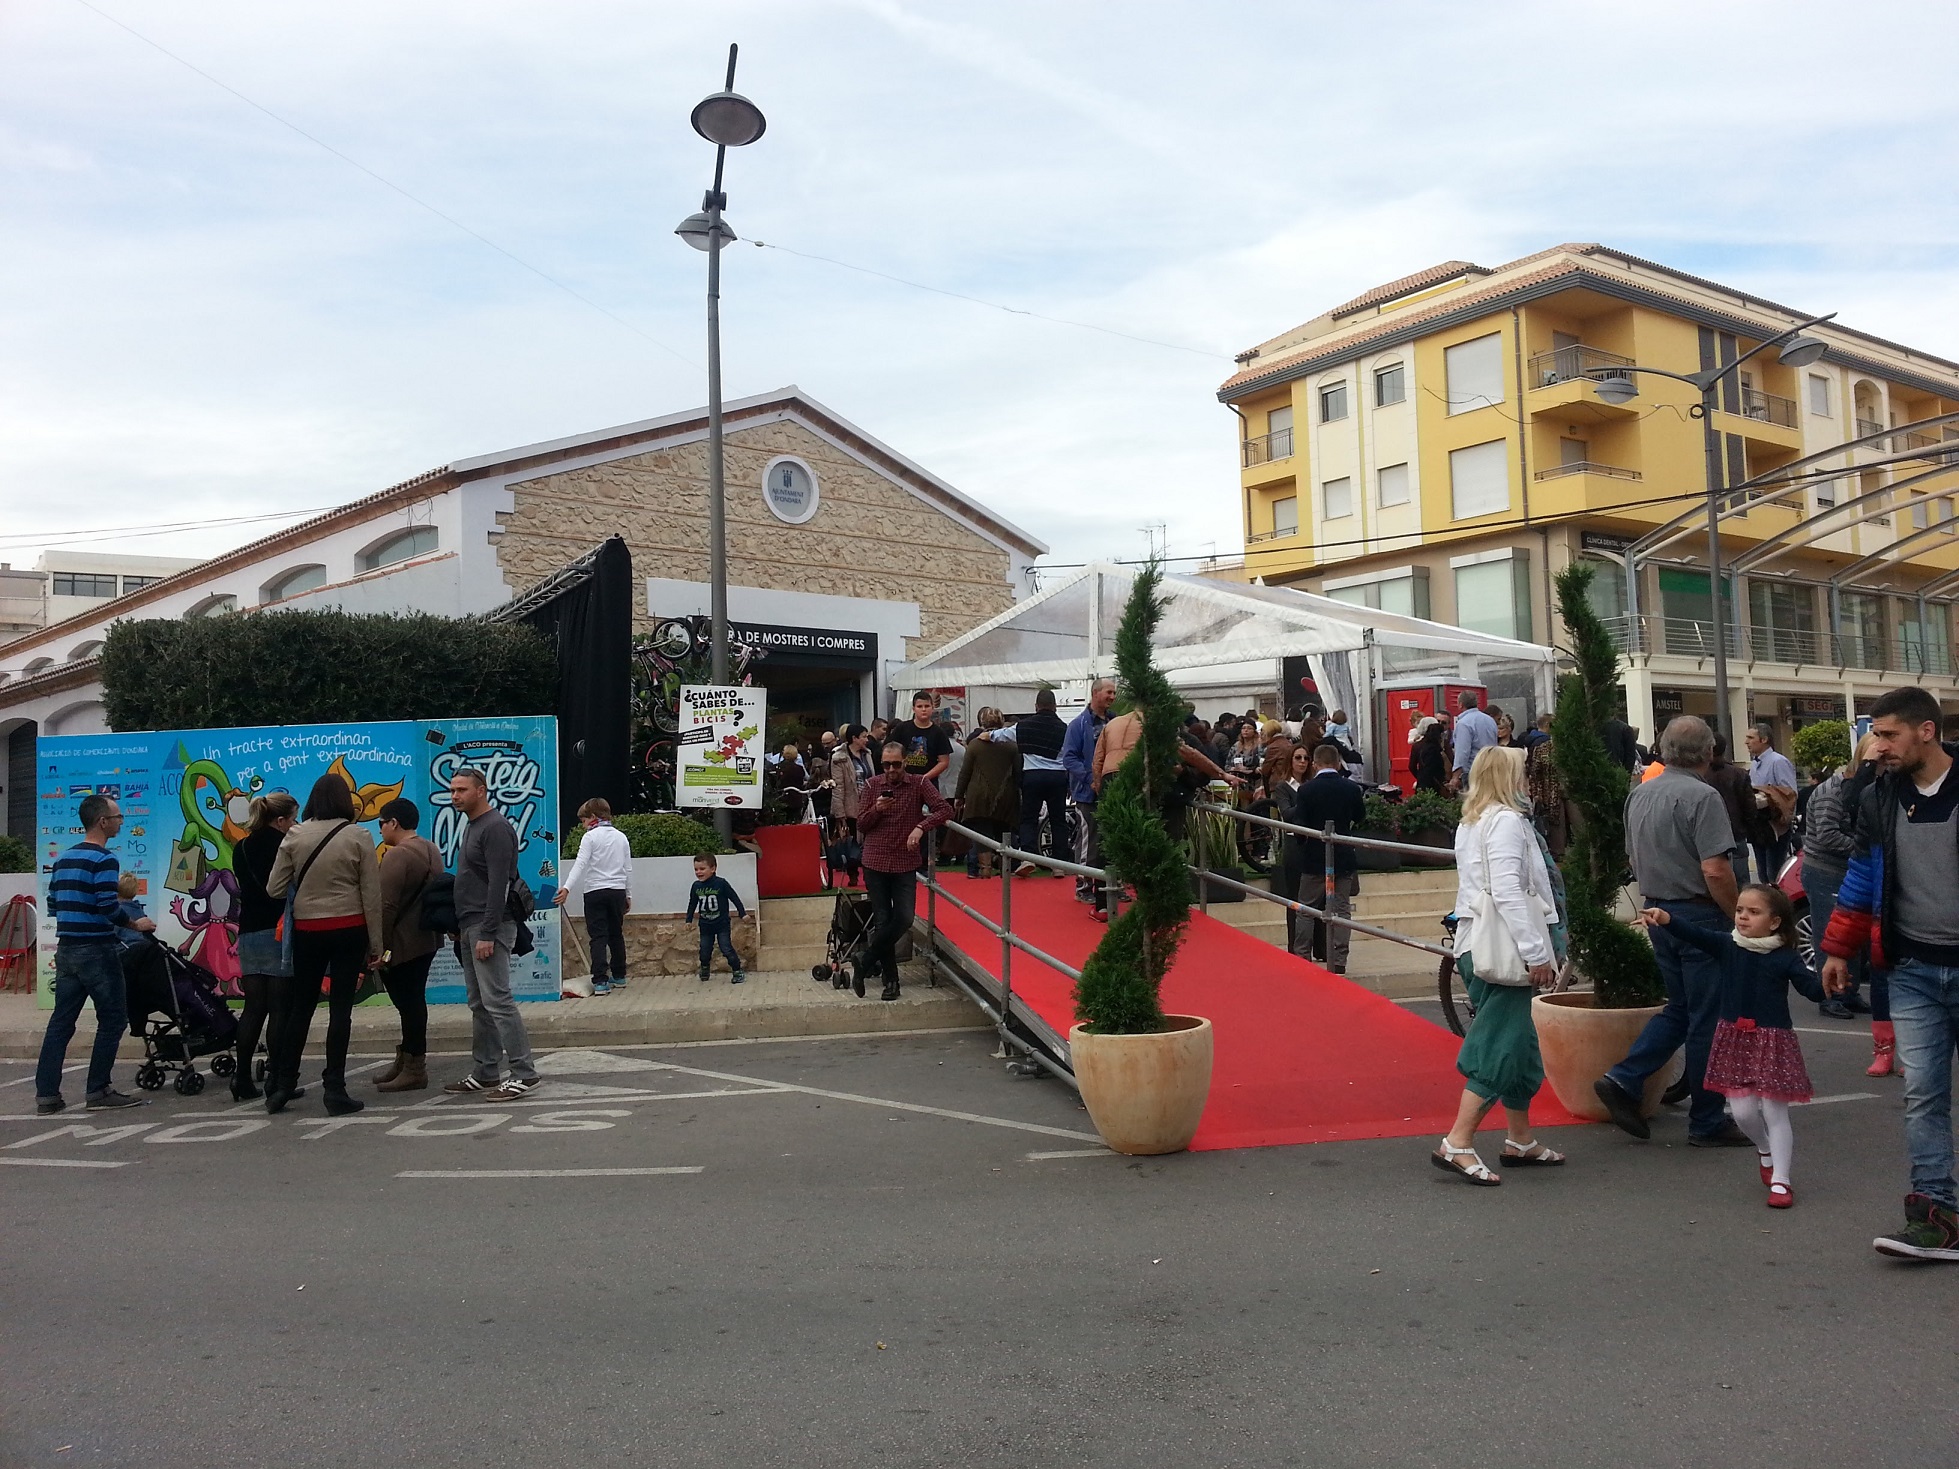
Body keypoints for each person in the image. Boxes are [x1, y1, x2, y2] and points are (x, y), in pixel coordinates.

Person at [1819, 685, 1959, 1260]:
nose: (1878, 746)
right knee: (1923, 1095)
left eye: (1888, 734)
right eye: (1875, 735)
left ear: (1927, 731)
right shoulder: (1880, 796)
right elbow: (1861, 875)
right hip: (1911, 968)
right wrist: (1836, 949)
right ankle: (1936, 1220)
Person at [1593, 716, 1747, 1146]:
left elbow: (1632, 856)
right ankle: (1707, 1120)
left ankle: (1625, 1077)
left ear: (1663, 749)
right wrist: (1737, 915)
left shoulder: (1640, 793)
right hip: (1698, 913)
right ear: (1709, 752)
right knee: (1706, 1020)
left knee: (1680, 1008)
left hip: (1658, 909)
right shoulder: (1704, 796)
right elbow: (1715, 869)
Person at [1432, 746, 1567, 1184]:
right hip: (1505, 946)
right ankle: (1458, 1141)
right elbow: (1510, 891)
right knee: (1500, 1045)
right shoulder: (1507, 821)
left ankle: (1520, 1139)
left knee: (1519, 1044)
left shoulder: (1472, 821)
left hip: (1477, 943)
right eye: (1523, 772)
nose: (1529, 779)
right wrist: (1536, 952)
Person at [1640, 883, 1820, 1207]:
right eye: (1740, 910)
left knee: (1775, 1112)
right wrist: (1666, 919)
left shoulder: (1785, 957)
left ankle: (1781, 1180)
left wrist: (1833, 986)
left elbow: (1811, 989)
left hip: (1773, 1041)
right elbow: (1695, 934)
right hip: (1735, 1039)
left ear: (1775, 922)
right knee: (1744, 1114)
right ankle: (1764, 1149)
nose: (1743, 917)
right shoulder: (1728, 945)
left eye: (1753, 912)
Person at [265, 774, 383, 1116]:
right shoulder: (359, 835)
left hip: (308, 930)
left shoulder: (295, 835)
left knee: (301, 1008)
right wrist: (376, 943)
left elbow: (274, 888)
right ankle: (335, 1089)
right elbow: (371, 894)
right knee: (341, 1010)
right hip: (350, 928)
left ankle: (283, 1085)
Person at [34, 794, 150, 1114]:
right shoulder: (104, 860)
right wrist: (135, 924)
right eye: (117, 817)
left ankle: (47, 1095)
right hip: (97, 949)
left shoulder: (63, 859)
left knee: (61, 1023)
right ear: (103, 822)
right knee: (113, 1019)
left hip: (67, 950)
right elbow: (108, 907)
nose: (120, 822)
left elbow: (53, 904)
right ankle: (98, 1090)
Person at [440, 766, 539, 1100]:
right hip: (470, 925)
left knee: (498, 1000)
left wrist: (487, 931)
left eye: (461, 790)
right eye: (452, 790)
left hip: (489, 926)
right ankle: (486, 1071)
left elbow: (500, 885)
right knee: (479, 1002)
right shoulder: (474, 825)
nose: (455, 796)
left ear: (480, 791)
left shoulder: (495, 827)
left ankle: (524, 1073)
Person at [857, 741, 952, 999]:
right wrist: (877, 809)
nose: (891, 770)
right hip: (875, 861)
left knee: (905, 918)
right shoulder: (872, 785)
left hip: (904, 863)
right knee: (882, 921)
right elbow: (862, 824)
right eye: (886, 765)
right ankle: (891, 982)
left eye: (896, 764)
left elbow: (945, 809)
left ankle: (865, 960)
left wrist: (921, 827)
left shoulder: (919, 783)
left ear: (905, 762)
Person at [1802, 734, 1878, 1028]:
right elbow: (1827, 835)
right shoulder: (1831, 791)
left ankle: (1848, 992)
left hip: (1844, 869)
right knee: (1829, 935)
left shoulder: (1863, 789)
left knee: (1853, 938)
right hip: (1825, 871)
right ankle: (1830, 997)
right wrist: (1863, 848)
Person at [228, 791, 297, 1101]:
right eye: (293, 819)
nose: (295, 824)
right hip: (277, 930)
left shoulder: (241, 847)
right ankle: (276, 1080)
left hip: (248, 931)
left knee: (254, 1008)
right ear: (280, 820)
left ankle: (241, 1077)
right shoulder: (284, 846)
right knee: (280, 1008)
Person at [373, 797, 443, 1092]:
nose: (380, 829)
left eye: (381, 823)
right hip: (427, 938)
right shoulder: (431, 849)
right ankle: (406, 1059)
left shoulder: (397, 855)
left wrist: (379, 946)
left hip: (402, 942)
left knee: (408, 1003)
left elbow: (386, 905)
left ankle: (415, 1066)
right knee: (413, 1001)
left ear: (394, 823)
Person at [1286, 744, 1367, 972]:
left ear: (1315, 764)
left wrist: (1302, 845)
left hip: (1314, 857)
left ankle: (1302, 956)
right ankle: (1339, 959)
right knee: (1342, 909)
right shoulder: (1351, 788)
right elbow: (1360, 815)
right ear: (1338, 763)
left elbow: (1300, 824)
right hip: (1343, 856)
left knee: (1306, 908)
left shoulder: (1306, 790)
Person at [555, 797, 632, 995]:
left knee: (598, 936)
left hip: (595, 891)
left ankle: (600, 981)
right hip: (617, 891)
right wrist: (628, 894)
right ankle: (620, 975)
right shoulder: (621, 837)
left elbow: (580, 864)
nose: (583, 826)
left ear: (593, 816)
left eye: (583, 820)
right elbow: (627, 868)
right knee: (616, 934)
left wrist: (567, 888)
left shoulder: (590, 837)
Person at [991, 689, 1069, 872]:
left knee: (1028, 818)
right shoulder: (1065, 729)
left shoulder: (1024, 726)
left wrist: (988, 735)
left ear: (1036, 706)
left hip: (1032, 776)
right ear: (1055, 706)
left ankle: (1028, 857)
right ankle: (1059, 864)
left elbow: (1003, 735)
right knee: (1058, 820)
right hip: (1057, 777)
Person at [1062, 677, 1116, 902]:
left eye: (1114, 693)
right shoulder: (1078, 725)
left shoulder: (1115, 722)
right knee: (1088, 842)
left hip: (1112, 793)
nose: (1112, 697)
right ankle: (1083, 887)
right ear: (1095, 693)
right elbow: (1069, 758)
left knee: (1112, 842)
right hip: (1087, 795)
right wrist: (1090, 780)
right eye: (1109, 692)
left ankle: (1112, 885)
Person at [954, 707, 1021, 877]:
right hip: (1005, 796)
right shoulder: (1012, 746)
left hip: (979, 796)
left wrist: (959, 796)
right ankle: (1006, 869)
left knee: (980, 834)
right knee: (1004, 833)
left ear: (982, 722)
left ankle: (984, 869)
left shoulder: (975, 745)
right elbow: (1018, 773)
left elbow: (965, 772)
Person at [1704, 734, 1763, 891]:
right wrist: (1746, 829)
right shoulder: (1739, 774)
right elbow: (1750, 807)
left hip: (1708, 839)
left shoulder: (1699, 776)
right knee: (1742, 885)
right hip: (1736, 836)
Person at [1746, 723, 1798, 883]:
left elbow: (1789, 794)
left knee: (1774, 873)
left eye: (1751, 738)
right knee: (1762, 874)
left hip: (1776, 826)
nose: (1746, 742)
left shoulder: (1778, 762)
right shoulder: (1755, 764)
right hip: (1759, 824)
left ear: (1764, 739)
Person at [686, 852, 748, 984]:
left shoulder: (721, 883)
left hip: (721, 923)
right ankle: (705, 967)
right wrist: (688, 920)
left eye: (702, 869)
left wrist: (742, 913)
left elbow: (734, 898)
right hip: (705, 924)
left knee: (726, 948)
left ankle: (737, 970)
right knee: (704, 950)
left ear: (713, 868)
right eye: (696, 869)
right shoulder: (696, 886)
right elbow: (692, 903)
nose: (698, 872)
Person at [828, 724, 874, 887]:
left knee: (869, 841)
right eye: (864, 736)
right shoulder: (839, 758)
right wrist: (839, 812)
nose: (867, 739)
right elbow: (838, 786)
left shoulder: (867, 754)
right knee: (851, 840)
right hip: (850, 805)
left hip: (869, 803)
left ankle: (870, 875)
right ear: (854, 738)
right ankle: (852, 873)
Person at [893, 692, 953, 788]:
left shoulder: (939, 733)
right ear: (913, 709)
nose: (923, 709)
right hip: (903, 783)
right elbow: (890, 751)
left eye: (927, 706)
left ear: (932, 708)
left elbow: (944, 762)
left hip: (929, 784)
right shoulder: (902, 728)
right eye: (919, 706)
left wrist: (924, 778)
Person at [1448, 691, 1498, 793]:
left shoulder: (1464, 723)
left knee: (1472, 800)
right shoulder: (1490, 720)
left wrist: (1455, 777)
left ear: (1460, 704)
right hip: (1491, 769)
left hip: (1472, 772)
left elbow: (1462, 752)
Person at [1411, 717, 1449, 794]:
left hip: (1422, 785)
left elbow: (1411, 766)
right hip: (1437, 785)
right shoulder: (1437, 747)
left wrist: (1420, 777)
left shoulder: (1417, 746)